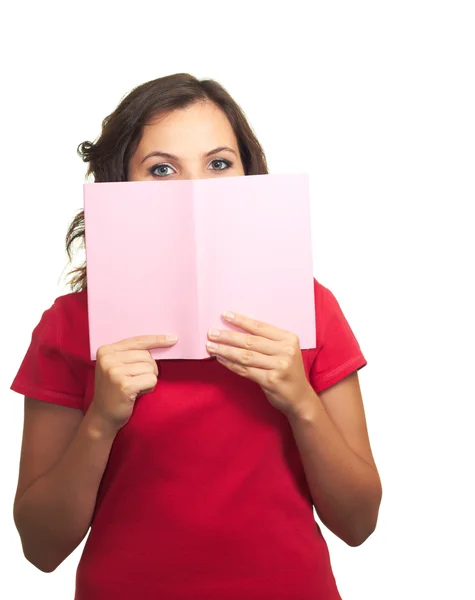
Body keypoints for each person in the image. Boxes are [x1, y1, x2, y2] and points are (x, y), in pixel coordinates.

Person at [10, 73, 382, 600]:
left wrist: (300, 400)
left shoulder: (310, 308)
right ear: (120, 185)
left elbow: (360, 523)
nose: (194, 189)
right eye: (161, 169)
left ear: (249, 176)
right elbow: (40, 548)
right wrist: (102, 420)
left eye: (219, 163)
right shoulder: (69, 325)